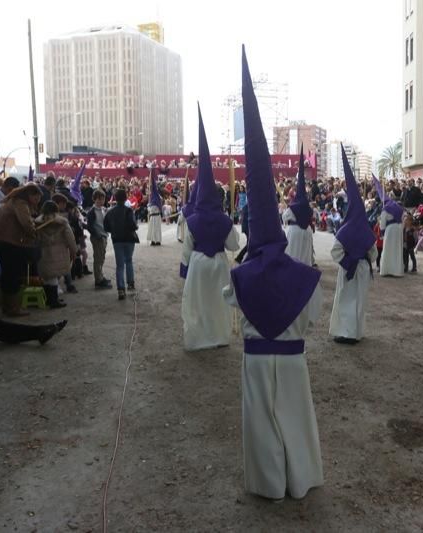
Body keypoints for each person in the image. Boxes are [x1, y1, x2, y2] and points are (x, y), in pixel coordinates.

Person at [225, 48, 323, 500]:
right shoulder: (304, 276)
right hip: (294, 359)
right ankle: (300, 479)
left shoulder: (241, 276)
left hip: (257, 359)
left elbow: (232, 303)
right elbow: (314, 315)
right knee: (297, 418)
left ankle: (267, 484)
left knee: (260, 423)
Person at [180, 106, 240, 351]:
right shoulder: (224, 220)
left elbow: (186, 249)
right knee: (217, 302)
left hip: (198, 264)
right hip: (218, 263)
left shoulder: (192, 220)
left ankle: (200, 338)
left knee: (199, 302)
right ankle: (218, 337)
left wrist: (185, 269)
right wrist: (231, 224)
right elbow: (234, 246)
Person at [329, 145, 377, 344]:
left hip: (350, 269)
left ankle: (347, 333)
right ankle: (356, 332)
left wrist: (349, 263)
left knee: (346, 299)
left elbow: (335, 252)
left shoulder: (344, 230)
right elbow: (373, 253)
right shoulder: (366, 229)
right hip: (363, 269)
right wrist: (363, 262)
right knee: (359, 301)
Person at [0, 183, 42, 317]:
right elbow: (26, 223)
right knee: (12, 274)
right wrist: (34, 233)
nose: (37, 201)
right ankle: (13, 308)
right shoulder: (20, 203)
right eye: (36, 198)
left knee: (9, 274)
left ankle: (9, 306)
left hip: (2, 240)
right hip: (9, 242)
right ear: (30, 195)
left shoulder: (13, 201)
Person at [36, 201, 77, 309]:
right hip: (59, 252)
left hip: (43, 252)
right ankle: (54, 301)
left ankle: (49, 299)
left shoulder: (37, 222)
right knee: (54, 277)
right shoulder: (62, 222)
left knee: (47, 276)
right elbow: (70, 237)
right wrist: (74, 250)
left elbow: (35, 238)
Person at [103, 188, 138, 301]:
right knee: (129, 260)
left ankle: (121, 289)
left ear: (115, 199)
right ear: (126, 198)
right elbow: (133, 226)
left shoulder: (110, 212)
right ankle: (131, 283)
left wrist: (114, 231)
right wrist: (135, 227)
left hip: (117, 240)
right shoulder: (129, 211)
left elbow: (106, 227)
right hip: (129, 239)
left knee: (119, 265)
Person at [283, 147, 315, 266]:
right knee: (305, 258)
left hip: (294, 232)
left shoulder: (292, 207)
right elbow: (311, 216)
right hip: (307, 232)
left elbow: (285, 218)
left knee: (293, 255)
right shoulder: (308, 207)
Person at [373, 174, 405, 277]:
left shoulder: (385, 208)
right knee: (397, 249)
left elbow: (382, 224)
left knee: (387, 249)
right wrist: (401, 228)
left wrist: (382, 234)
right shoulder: (399, 207)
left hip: (390, 230)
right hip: (398, 229)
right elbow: (403, 219)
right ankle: (397, 271)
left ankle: (386, 270)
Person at [86, 190, 113, 289]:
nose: (101, 201)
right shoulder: (92, 212)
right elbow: (89, 226)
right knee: (98, 259)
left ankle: (101, 276)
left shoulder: (103, 209)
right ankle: (98, 280)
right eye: (99, 199)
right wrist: (97, 235)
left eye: (103, 199)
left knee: (101, 258)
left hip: (104, 236)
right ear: (94, 199)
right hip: (98, 238)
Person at [146, 167, 163, 246]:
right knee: (153, 229)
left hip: (156, 216)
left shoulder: (155, 198)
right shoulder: (153, 197)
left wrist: (149, 206)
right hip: (153, 217)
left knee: (156, 229)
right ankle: (153, 240)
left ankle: (157, 240)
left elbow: (154, 208)